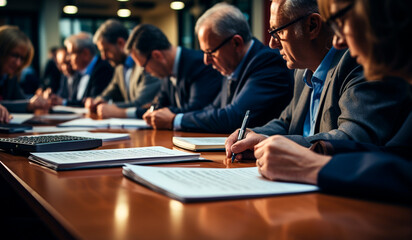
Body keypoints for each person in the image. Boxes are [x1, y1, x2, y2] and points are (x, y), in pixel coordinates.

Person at [254, 0, 412, 202]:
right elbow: (396, 156)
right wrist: (319, 149)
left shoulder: (351, 64)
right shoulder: (303, 71)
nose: (337, 42)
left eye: (341, 21)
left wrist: (310, 165)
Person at [226, 0, 411, 158]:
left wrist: (277, 145)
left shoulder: (356, 61)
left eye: (278, 32)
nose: (272, 43)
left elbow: (355, 139)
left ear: (312, 26)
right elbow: (287, 122)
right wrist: (255, 136)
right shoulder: (302, 69)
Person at [145, 3, 293, 133]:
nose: (206, 61)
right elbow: (212, 109)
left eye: (210, 52)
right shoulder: (232, 65)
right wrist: (174, 117)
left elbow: (234, 117)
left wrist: (175, 120)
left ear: (236, 43)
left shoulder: (268, 62)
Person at [124, 24, 223, 120]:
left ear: (157, 56)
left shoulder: (200, 64)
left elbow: (196, 110)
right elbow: (158, 105)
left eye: (143, 66)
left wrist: (163, 112)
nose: (145, 71)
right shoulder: (166, 72)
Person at [85, 19, 161, 118]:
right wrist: (96, 101)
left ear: (120, 43)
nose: (103, 57)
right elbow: (108, 92)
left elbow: (142, 103)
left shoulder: (146, 64)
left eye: (106, 50)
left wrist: (109, 107)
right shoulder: (119, 67)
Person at [0, 25, 50, 113]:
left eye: (22, 58)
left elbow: (19, 99)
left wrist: (38, 101)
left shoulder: (9, 74)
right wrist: (29, 104)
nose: (18, 63)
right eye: (14, 55)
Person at [51, 32, 114, 106]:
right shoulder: (78, 72)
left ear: (85, 54)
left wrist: (63, 102)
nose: (68, 58)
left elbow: (93, 101)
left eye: (71, 53)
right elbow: (74, 99)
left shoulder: (103, 69)